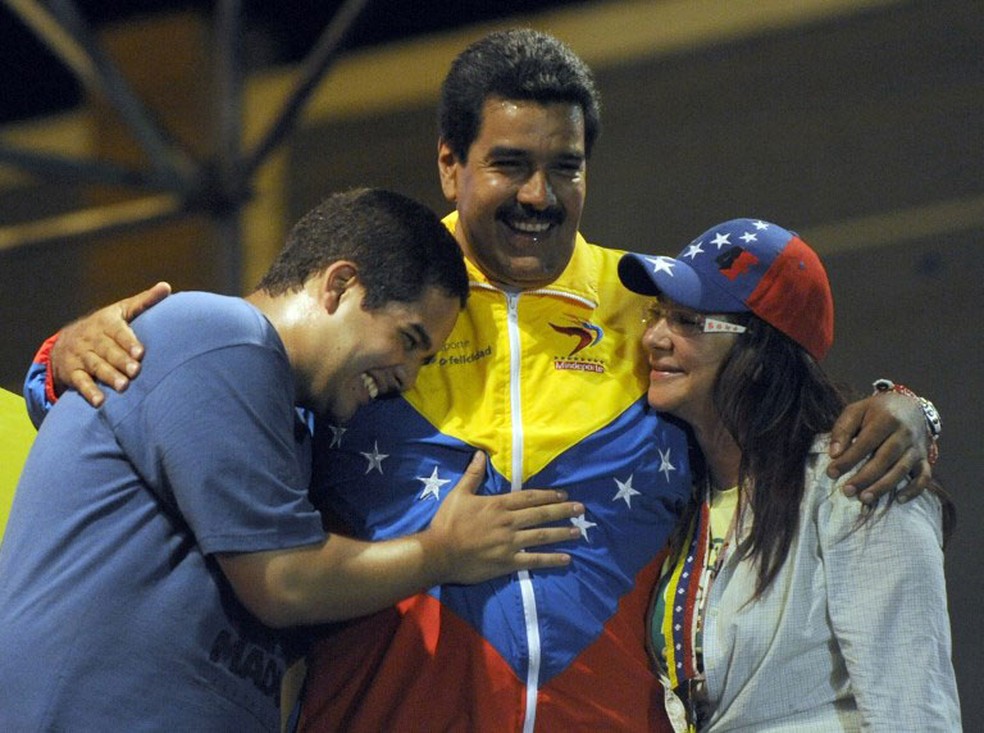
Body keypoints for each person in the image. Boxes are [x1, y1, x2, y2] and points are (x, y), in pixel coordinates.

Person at [22, 31, 941, 732]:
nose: (538, 194)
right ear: (450, 164)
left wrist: (906, 409)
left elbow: (781, 400)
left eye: (565, 168)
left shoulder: (652, 316)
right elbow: (194, 388)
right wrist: (56, 358)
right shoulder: (374, 307)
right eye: (509, 163)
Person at [0, 188, 585, 731]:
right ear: (339, 285)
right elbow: (282, 582)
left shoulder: (294, 425)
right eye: (408, 340)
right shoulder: (220, 336)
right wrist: (442, 552)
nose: (407, 378)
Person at [619, 218, 960, 730]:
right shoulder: (685, 493)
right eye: (658, 315)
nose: (653, 338)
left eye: (688, 322)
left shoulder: (859, 478)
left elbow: (914, 709)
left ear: (759, 353)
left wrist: (916, 411)